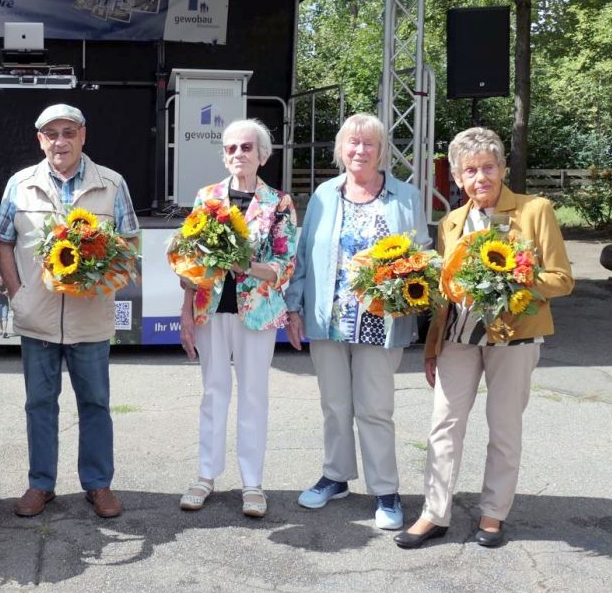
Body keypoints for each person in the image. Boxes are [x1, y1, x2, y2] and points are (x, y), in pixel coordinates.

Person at [394, 127, 574, 549]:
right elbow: (446, 292)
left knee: (504, 429)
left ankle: (493, 515)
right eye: (470, 171)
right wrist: (432, 347)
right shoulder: (453, 221)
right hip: (459, 338)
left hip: (515, 337)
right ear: (457, 178)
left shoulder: (535, 210)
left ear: (503, 168)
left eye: (488, 167)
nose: (481, 178)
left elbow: (562, 279)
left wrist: (512, 281)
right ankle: (433, 513)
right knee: (443, 425)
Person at [284, 113, 430, 531]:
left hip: (380, 320)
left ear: (381, 150)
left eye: (369, 143)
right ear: (340, 148)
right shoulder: (324, 196)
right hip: (327, 318)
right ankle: (336, 476)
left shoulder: (405, 197)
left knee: (375, 409)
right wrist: (294, 306)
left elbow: (420, 254)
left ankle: (385, 491)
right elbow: (303, 255)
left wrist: (409, 291)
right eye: (352, 143)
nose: (360, 150)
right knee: (334, 405)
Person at [0, 103, 140, 519]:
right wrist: (18, 293)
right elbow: (2, 240)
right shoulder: (19, 184)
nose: (60, 141)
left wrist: (103, 279)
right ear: (40, 140)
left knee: (94, 403)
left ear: (83, 136)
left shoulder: (111, 183)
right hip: (36, 318)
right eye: (51, 133)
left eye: (69, 132)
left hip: (90, 318)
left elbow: (129, 240)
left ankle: (98, 485)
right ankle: (41, 484)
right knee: (39, 403)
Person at [176, 119, 298, 518]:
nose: (238, 155)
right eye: (230, 148)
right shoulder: (206, 197)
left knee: (253, 395)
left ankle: (252, 483)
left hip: (258, 312)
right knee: (213, 392)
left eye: (246, 148)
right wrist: (186, 311)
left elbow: (285, 265)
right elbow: (190, 258)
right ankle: (205, 475)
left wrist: (248, 264)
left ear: (262, 155)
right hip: (211, 310)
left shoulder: (279, 203)